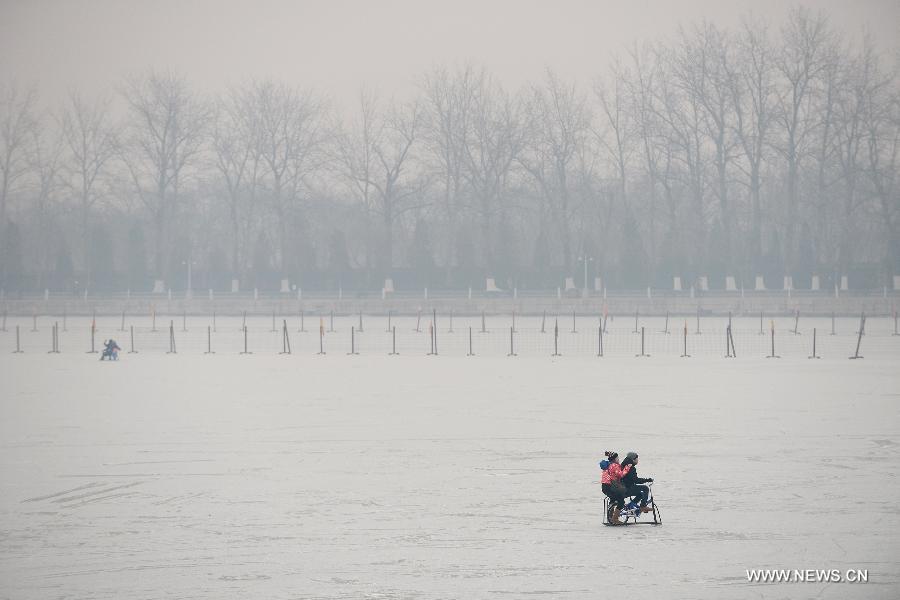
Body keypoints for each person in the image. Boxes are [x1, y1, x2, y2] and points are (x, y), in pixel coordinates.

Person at [600, 451, 631, 524]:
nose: (618, 459)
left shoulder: (608, 465)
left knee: (613, 500)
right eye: (617, 458)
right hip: (610, 486)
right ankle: (615, 519)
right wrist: (627, 467)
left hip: (604, 487)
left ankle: (610, 518)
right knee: (621, 501)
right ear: (614, 459)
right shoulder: (614, 465)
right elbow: (621, 474)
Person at [620, 451, 654, 516]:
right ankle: (643, 506)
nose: (638, 460)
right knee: (645, 488)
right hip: (627, 488)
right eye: (637, 459)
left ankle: (631, 505)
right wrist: (647, 480)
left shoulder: (624, 465)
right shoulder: (631, 468)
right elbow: (636, 480)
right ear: (633, 459)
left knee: (641, 494)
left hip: (623, 487)